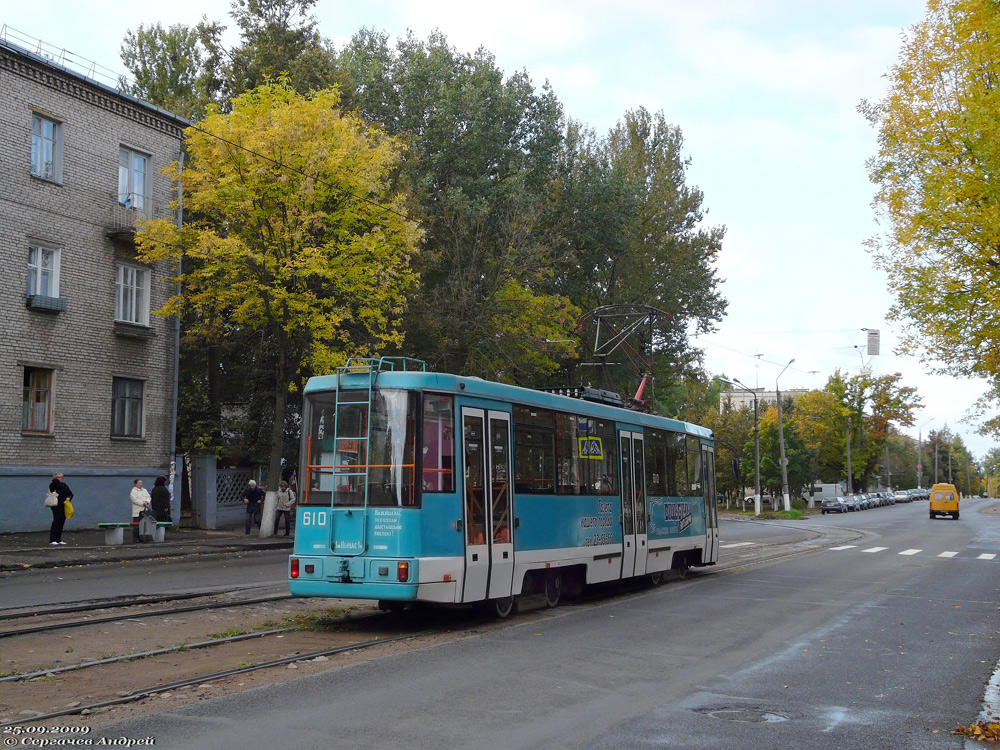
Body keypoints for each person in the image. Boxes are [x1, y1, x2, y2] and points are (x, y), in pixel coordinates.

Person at [48, 472, 73, 546]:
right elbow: (54, 484)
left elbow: (70, 493)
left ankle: (58, 539)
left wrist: (69, 497)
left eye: (61, 477)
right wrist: (55, 479)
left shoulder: (64, 485)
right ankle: (52, 539)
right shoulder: (53, 485)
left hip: (64, 505)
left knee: (62, 521)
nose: (60, 479)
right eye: (58, 477)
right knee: (56, 521)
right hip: (56, 505)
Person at [130, 478, 151, 543]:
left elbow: (149, 497)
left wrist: (147, 502)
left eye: (141, 483)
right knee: (137, 525)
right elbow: (134, 499)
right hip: (137, 510)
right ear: (135, 484)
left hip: (144, 510)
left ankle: (143, 537)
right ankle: (136, 538)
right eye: (139, 483)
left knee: (144, 524)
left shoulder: (144, 490)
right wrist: (142, 503)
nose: (141, 484)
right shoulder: (133, 491)